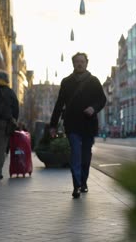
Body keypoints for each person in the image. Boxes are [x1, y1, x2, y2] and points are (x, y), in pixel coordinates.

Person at [49, 52, 106, 199]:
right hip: (72, 123)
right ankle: (76, 185)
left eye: (82, 61)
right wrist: (53, 125)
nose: (80, 64)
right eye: (77, 62)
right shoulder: (66, 82)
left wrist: (93, 108)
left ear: (87, 63)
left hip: (89, 124)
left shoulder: (94, 81)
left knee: (86, 156)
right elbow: (59, 104)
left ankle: (83, 181)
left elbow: (102, 99)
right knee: (75, 153)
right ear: (73, 64)